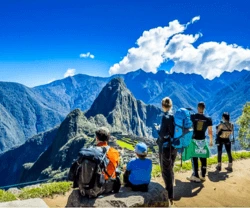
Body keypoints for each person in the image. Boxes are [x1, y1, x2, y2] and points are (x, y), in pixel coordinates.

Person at [70, 127, 120, 197]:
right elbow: (115, 168)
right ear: (108, 139)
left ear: (96, 138)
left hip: (83, 189)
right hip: (103, 188)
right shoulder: (114, 152)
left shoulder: (88, 152)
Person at [156, 97, 177, 204]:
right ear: (171, 105)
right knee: (171, 168)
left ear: (162, 105)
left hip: (166, 148)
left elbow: (162, 134)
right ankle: (170, 191)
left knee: (166, 170)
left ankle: (169, 196)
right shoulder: (175, 116)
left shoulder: (165, 117)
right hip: (174, 147)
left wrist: (157, 129)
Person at [187, 102, 213, 182]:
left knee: (194, 157)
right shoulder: (208, 119)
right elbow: (210, 131)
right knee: (203, 157)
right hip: (202, 140)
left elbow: (186, 122)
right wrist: (211, 141)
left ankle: (196, 175)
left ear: (198, 108)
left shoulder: (193, 116)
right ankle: (203, 175)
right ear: (204, 108)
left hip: (194, 139)